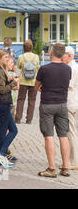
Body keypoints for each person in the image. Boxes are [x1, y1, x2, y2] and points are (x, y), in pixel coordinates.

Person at [35, 43, 71, 178]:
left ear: (51, 53)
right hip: (62, 104)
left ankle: (51, 169)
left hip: (47, 105)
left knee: (49, 136)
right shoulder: (68, 69)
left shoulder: (44, 69)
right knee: (63, 135)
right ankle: (65, 167)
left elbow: (36, 86)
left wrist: (42, 87)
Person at [0, 49, 19, 169]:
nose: (8, 60)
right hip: (2, 104)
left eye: (8, 58)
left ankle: (0, 157)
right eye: (5, 58)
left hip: (1, 103)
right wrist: (13, 84)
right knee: (13, 130)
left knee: (3, 131)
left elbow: (1, 85)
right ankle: (1, 154)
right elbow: (2, 90)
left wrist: (11, 80)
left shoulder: (0, 70)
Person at [15, 40, 40, 124]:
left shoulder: (21, 57)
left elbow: (18, 66)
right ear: (31, 48)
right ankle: (29, 119)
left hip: (23, 81)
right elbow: (37, 68)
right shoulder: (36, 57)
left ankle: (18, 118)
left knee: (21, 100)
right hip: (33, 81)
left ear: (23, 48)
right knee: (32, 100)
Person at [63, 46, 78, 170]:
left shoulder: (72, 68)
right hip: (73, 101)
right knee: (71, 131)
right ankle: (71, 159)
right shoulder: (73, 66)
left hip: (71, 102)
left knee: (71, 132)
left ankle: (74, 161)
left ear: (69, 56)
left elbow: (68, 86)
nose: (62, 57)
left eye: (64, 55)